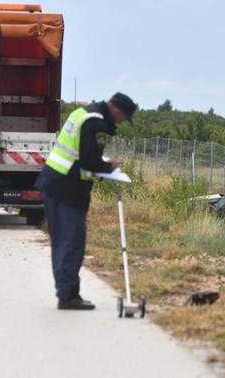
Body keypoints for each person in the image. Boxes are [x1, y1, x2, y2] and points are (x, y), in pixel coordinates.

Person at [35, 92, 138, 310]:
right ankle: (68, 295)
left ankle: (66, 291)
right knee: (71, 243)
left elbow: (80, 153)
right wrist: (108, 167)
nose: (120, 122)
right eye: (123, 118)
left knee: (62, 242)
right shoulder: (96, 123)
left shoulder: (83, 113)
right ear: (118, 111)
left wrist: (100, 165)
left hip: (55, 183)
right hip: (68, 190)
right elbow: (90, 160)